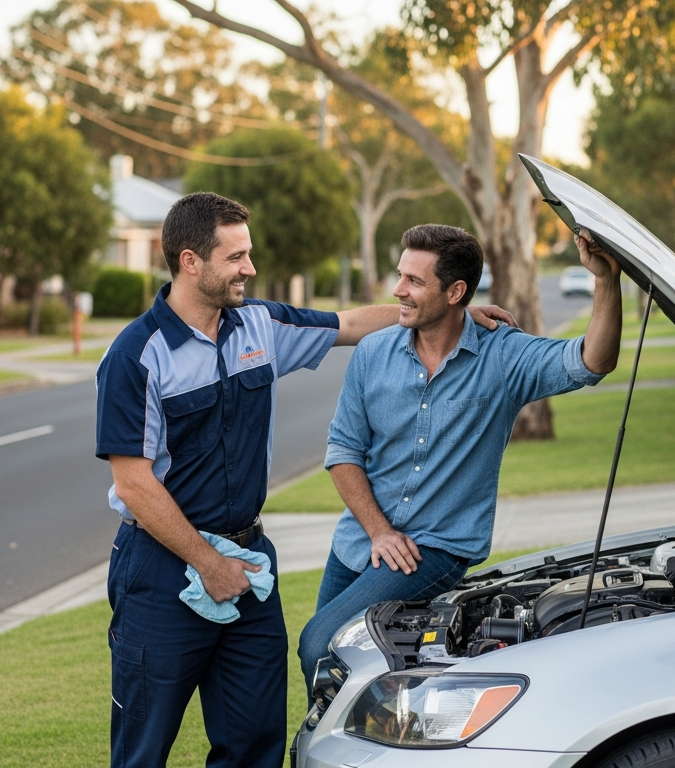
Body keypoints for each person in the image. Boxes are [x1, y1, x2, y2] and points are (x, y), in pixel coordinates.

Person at [95, 193, 513, 768]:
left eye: (249, 253)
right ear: (190, 262)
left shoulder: (259, 326)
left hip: (247, 567)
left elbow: (349, 324)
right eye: (236, 256)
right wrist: (208, 565)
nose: (250, 268)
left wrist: (452, 311)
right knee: (143, 751)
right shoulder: (136, 355)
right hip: (162, 571)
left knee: (255, 744)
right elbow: (136, 486)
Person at [299, 223, 622, 695]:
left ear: (456, 292)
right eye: (400, 275)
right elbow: (344, 452)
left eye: (414, 281)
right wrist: (378, 530)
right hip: (359, 540)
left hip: (434, 549)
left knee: (320, 645)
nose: (398, 291)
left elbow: (592, 361)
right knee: (338, 673)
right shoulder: (373, 353)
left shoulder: (503, 357)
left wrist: (605, 281)